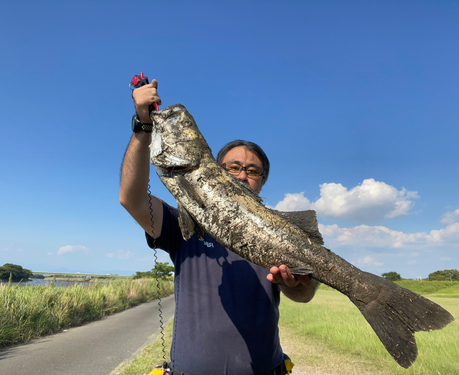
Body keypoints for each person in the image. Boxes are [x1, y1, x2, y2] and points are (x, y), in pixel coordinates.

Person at [119, 79, 320, 375]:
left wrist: (295, 285)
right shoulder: (185, 223)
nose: (242, 176)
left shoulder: (280, 234)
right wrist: (143, 127)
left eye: (252, 171)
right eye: (233, 167)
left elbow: (306, 294)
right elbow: (131, 199)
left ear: (262, 181)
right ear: (214, 169)